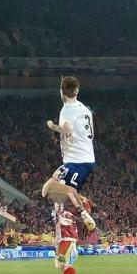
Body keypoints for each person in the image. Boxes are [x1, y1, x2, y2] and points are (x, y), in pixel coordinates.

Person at [42, 76, 97, 232]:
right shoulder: (85, 109)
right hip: (86, 158)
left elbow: (66, 130)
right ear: (77, 90)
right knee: (57, 184)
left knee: (47, 190)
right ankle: (81, 205)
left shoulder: (67, 109)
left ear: (61, 92)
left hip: (76, 160)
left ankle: (83, 212)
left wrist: (53, 126)